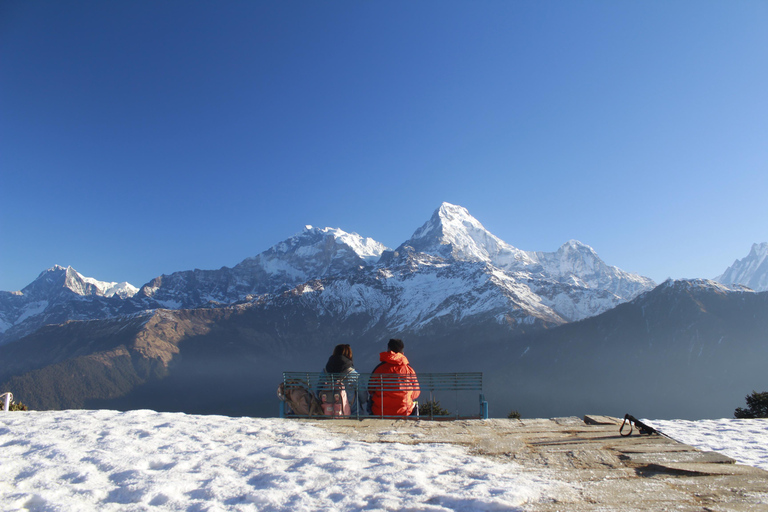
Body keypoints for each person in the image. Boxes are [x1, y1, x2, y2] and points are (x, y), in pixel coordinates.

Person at [368, 338, 420, 417]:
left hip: (380, 411)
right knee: (413, 401)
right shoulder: (409, 369)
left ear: (388, 349)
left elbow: (370, 389)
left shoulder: (379, 368)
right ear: (402, 353)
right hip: (404, 412)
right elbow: (416, 393)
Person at [319, 344, 361, 415]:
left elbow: (318, 392)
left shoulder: (324, 372)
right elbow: (363, 396)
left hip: (327, 410)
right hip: (351, 411)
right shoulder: (353, 374)